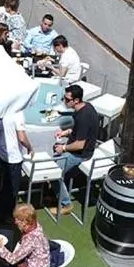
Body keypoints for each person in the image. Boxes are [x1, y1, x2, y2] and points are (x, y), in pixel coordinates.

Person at [52, 84, 100, 217]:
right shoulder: (85, 108)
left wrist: (64, 148)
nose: (64, 101)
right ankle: (59, 194)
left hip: (81, 154)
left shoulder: (83, 116)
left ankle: (66, 204)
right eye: (64, 98)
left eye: (67, 99)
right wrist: (65, 132)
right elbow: (80, 132)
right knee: (55, 161)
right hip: (79, 150)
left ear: (76, 100)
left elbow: (79, 144)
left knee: (53, 171)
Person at [0, 111, 32, 215]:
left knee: (0, 184)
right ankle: (7, 215)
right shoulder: (18, 113)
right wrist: (30, 147)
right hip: (13, 158)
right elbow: (22, 138)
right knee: (12, 190)